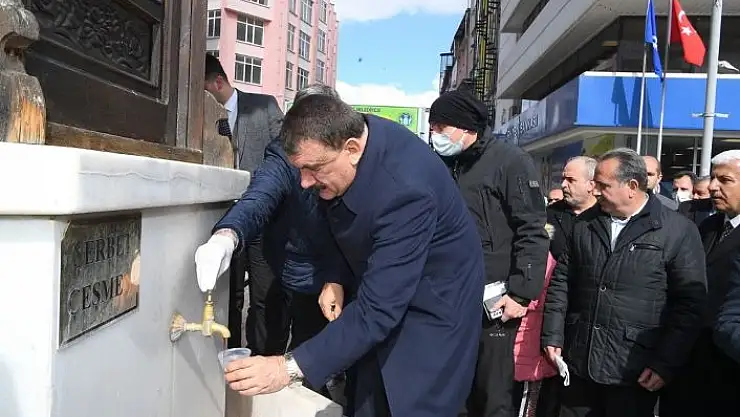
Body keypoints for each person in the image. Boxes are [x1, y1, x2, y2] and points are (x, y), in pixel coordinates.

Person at [221, 94, 485, 417]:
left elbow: (378, 310)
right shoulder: (348, 144)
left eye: (313, 169)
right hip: (380, 300)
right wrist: (335, 275)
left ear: (352, 149)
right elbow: (339, 220)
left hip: (428, 320)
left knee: (403, 404)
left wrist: (285, 368)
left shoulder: (405, 191)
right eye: (300, 170)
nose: (304, 182)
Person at [194, 84, 350, 397]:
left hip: (320, 274)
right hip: (277, 260)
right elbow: (259, 197)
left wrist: (335, 276)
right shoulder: (283, 153)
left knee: (310, 353)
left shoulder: (344, 160)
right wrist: (226, 236)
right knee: (266, 333)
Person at [542, 148, 707, 417]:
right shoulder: (584, 224)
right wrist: (553, 334)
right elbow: (561, 283)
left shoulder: (677, 231)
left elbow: (689, 305)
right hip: (580, 361)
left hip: (634, 370)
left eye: (603, 185)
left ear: (631, 187)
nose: (595, 191)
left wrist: (665, 363)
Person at [427, 89, 549, 417]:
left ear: (466, 127)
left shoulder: (511, 162)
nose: (435, 135)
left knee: (493, 394)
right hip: (449, 296)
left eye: (441, 127)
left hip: (494, 300)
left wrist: (521, 293)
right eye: (432, 127)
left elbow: (532, 230)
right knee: (453, 390)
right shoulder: (443, 164)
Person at [204, 54, 287, 353]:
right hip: (222, 219)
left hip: (262, 220)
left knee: (264, 296)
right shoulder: (200, 117)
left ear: (218, 82)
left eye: (204, 90)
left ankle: (260, 356)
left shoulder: (264, 107)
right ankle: (229, 356)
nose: (202, 98)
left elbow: (286, 157)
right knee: (229, 297)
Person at [661, 150, 740, 416]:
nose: (713, 187)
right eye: (713, 178)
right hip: (687, 359)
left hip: (728, 367)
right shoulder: (704, 227)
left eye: (725, 180)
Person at [547, 156, 599, 261]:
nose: (563, 185)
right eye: (563, 179)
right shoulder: (550, 215)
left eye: (570, 180)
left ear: (591, 185)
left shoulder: (607, 215)